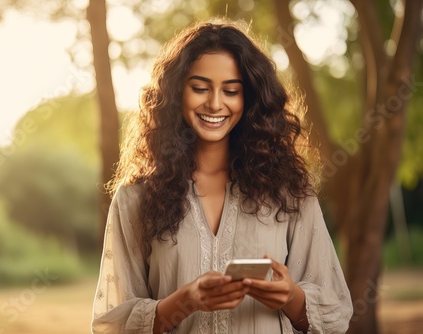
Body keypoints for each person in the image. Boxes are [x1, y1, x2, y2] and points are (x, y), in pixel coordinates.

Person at [92, 19, 353, 334]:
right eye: (200, 88)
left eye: (231, 90)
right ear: (177, 93)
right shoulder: (135, 199)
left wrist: (291, 297)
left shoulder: (289, 193)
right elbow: (111, 323)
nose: (215, 103)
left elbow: (335, 312)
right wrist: (182, 302)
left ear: (250, 99)